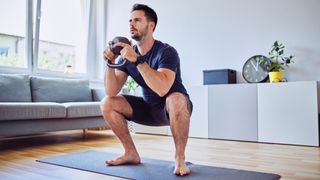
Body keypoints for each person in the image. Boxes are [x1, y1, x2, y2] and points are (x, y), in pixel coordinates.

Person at [101, 3, 193, 176]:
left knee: (175, 98)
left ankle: (180, 158)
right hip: (147, 108)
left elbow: (162, 88)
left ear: (151, 26)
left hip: (172, 108)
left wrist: (137, 60)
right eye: (130, 21)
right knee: (107, 103)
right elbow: (111, 91)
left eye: (137, 20)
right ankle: (130, 153)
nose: (131, 24)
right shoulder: (128, 53)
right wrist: (110, 62)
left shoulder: (166, 52)